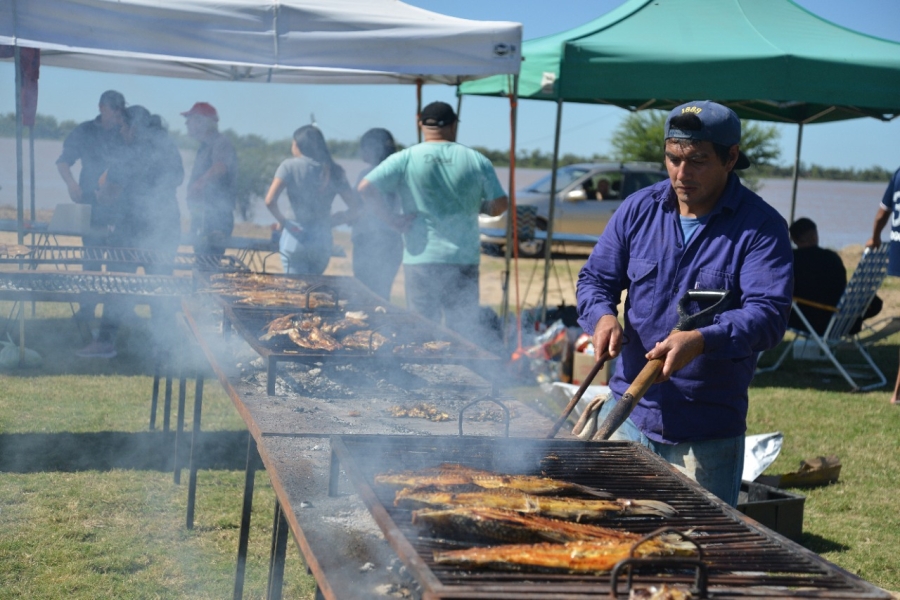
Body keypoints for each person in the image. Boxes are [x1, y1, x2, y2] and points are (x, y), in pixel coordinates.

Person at [576, 100, 793, 506]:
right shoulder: (639, 209)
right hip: (629, 412)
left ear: (731, 158)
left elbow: (768, 315)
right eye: (673, 159)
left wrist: (702, 339)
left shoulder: (761, 228)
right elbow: (595, 279)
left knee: (697, 548)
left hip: (706, 427)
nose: (681, 173)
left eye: (696, 161)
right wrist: (601, 317)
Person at [357, 101, 508, 337]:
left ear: (420, 122)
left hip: (420, 258)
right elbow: (500, 204)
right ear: (453, 125)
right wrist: (476, 206)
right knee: (463, 332)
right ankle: (463, 373)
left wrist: (392, 220)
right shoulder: (476, 160)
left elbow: (365, 188)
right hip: (463, 259)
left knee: (420, 331)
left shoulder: (405, 158)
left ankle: (422, 373)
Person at [76, 105, 185, 359]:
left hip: (133, 230)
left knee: (117, 287)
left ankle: (105, 343)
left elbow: (109, 193)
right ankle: (165, 346)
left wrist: (99, 195)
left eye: (123, 126)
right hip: (166, 227)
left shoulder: (131, 152)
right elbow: (176, 180)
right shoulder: (168, 147)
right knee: (161, 286)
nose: (121, 131)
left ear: (134, 127)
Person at [56, 90, 127, 322]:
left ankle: (118, 314)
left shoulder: (124, 132)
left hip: (120, 209)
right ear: (101, 107)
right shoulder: (85, 131)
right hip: (91, 206)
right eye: (111, 109)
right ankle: (87, 311)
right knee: (91, 261)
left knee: (119, 262)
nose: (115, 114)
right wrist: (71, 184)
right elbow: (64, 161)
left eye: (119, 109)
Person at [264, 125, 359, 275]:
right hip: (322, 240)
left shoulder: (289, 166)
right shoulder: (335, 170)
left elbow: (270, 201)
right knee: (312, 291)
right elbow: (356, 208)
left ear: (298, 144)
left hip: (295, 237)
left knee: (296, 292)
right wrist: (336, 221)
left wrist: (284, 222)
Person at [790, 217, 882, 336]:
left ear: (793, 239)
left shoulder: (792, 260)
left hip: (808, 321)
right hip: (843, 320)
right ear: (814, 236)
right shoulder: (832, 257)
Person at [350, 128, 403, 300]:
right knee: (382, 295)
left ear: (373, 148)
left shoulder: (367, 174)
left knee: (364, 295)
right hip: (393, 241)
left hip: (368, 240)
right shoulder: (399, 173)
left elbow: (357, 207)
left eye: (363, 147)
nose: (361, 152)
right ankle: (383, 327)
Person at [182, 102, 237, 260]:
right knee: (201, 261)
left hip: (216, 218)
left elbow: (220, 166)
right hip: (203, 215)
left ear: (202, 122)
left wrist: (199, 183)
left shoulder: (221, 142)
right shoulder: (204, 147)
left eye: (190, 119)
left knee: (208, 263)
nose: (186, 124)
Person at [866, 164, 900, 404]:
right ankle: (897, 394)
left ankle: (897, 392)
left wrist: (875, 238)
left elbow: (881, 216)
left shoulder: (898, 174)